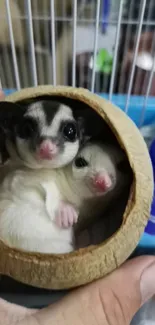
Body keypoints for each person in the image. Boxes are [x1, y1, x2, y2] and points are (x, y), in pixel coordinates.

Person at [0, 90, 155, 325]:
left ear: (82, 135)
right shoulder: (23, 171)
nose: (47, 145)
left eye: (67, 132)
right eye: (29, 130)